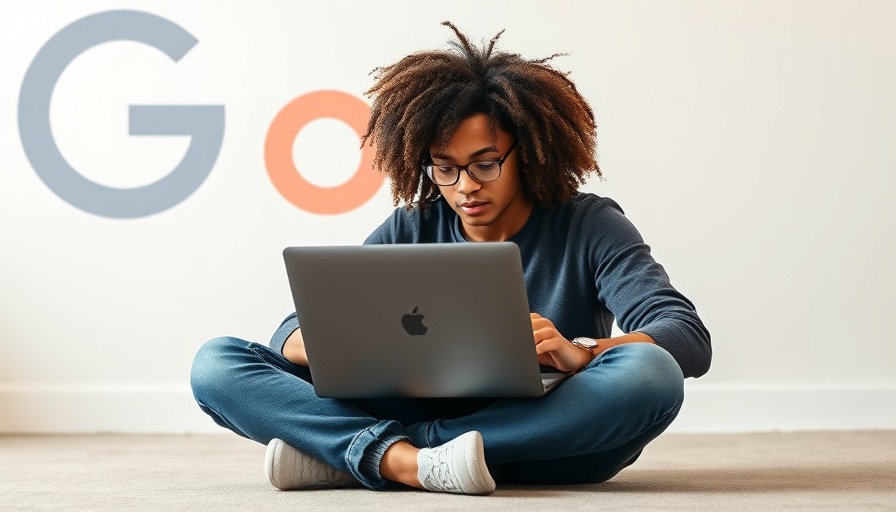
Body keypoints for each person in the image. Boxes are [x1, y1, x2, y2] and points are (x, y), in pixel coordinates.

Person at [190, 21, 711, 495]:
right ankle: (409, 460)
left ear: (526, 153)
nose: (464, 187)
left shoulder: (588, 224)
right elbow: (291, 332)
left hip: (542, 428)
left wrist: (583, 350)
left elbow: (684, 334)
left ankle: (375, 454)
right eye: (445, 168)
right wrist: (346, 343)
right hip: (427, 407)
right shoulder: (412, 226)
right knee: (217, 363)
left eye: (485, 164)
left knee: (649, 374)